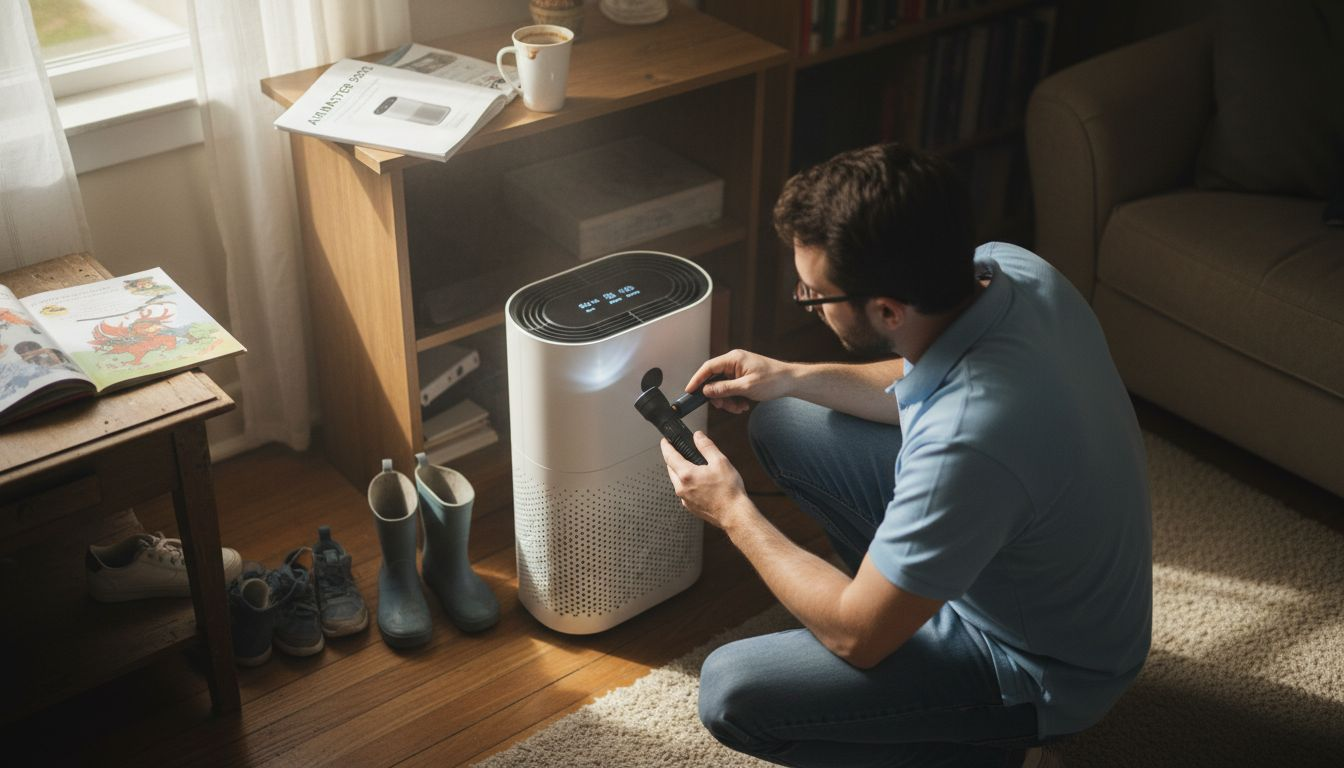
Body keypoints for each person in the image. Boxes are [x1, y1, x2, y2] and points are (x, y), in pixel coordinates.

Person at [658, 143, 1151, 768]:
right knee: (784, 416)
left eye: (813, 295)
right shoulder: (1011, 270)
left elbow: (854, 635)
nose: (805, 301)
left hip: (1043, 667)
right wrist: (789, 374)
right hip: (1052, 582)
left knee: (733, 692)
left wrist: (733, 512)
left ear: (887, 309)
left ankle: (1001, 752)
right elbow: (921, 374)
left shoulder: (968, 441)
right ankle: (911, 600)